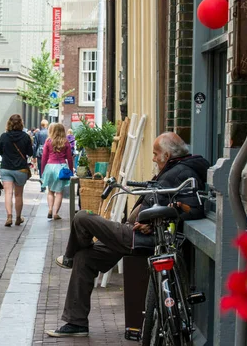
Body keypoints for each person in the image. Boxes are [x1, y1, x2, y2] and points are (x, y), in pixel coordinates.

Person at [46, 132, 210, 337]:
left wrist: (154, 220)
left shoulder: (181, 173)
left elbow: (193, 209)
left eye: (155, 153)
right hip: (137, 232)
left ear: (166, 155)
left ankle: (69, 256)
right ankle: (76, 323)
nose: (152, 158)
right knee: (85, 257)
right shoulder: (174, 169)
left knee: (82, 217)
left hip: (144, 238)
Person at [0, 114, 33, 227]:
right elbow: (30, 153)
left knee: (8, 193)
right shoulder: (26, 137)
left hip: (6, 167)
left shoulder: (4, 136)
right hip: (21, 169)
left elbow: (0, 151)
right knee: (18, 194)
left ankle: (9, 216)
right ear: (21, 123)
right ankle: (18, 217)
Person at [41, 123, 74, 220]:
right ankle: (55, 213)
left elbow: (44, 157)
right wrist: (71, 170)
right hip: (61, 168)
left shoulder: (48, 141)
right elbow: (69, 158)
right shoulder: (66, 142)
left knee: (50, 191)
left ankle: (50, 209)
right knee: (59, 192)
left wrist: (43, 170)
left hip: (50, 167)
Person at [33, 120, 49, 192]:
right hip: (48, 153)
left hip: (40, 153)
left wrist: (34, 156)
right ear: (47, 125)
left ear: (41, 125)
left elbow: (35, 145)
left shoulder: (38, 133)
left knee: (41, 169)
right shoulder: (50, 133)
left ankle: (43, 187)